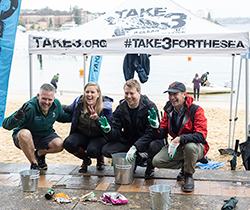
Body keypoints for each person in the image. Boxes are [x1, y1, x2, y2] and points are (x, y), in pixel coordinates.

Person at [148, 81, 209, 192]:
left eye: (175, 94)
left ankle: (188, 175)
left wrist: (181, 138)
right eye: (170, 94)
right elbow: (162, 134)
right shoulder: (168, 109)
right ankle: (187, 164)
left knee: (190, 147)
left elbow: (201, 136)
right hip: (178, 146)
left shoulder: (196, 110)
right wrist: (155, 126)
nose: (172, 97)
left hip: (197, 146)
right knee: (156, 161)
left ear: (184, 94)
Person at [99, 79, 164, 179]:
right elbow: (116, 130)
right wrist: (109, 131)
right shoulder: (121, 108)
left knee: (155, 146)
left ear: (139, 93)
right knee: (106, 149)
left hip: (148, 140)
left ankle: (150, 167)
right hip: (129, 139)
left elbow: (151, 133)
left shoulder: (149, 106)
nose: (129, 97)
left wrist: (135, 147)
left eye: (132, 93)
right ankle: (135, 160)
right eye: (126, 93)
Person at [2, 83, 72, 170]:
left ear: (54, 98)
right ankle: (34, 164)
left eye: (50, 99)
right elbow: (5, 125)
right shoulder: (29, 107)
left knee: (60, 144)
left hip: (45, 135)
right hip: (25, 138)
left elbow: (63, 117)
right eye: (44, 99)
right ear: (38, 96)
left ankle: (39, 154)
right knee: (25, 134)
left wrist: (79, 116)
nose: (46, 102)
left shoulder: (56, 104)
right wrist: (15, 118)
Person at [62, 82, 113, 173]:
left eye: (92, 92)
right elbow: (68, 108)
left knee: (93, 151)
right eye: (87, 92)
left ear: (98, 94)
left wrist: (97, 118)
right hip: (82, 134)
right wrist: (54, 104)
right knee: (68, 143)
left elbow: (109, 126)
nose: (89, 94)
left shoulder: (106, 108)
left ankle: (100, 158)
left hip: (99, 136)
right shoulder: (79, 103)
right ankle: (86, 159)